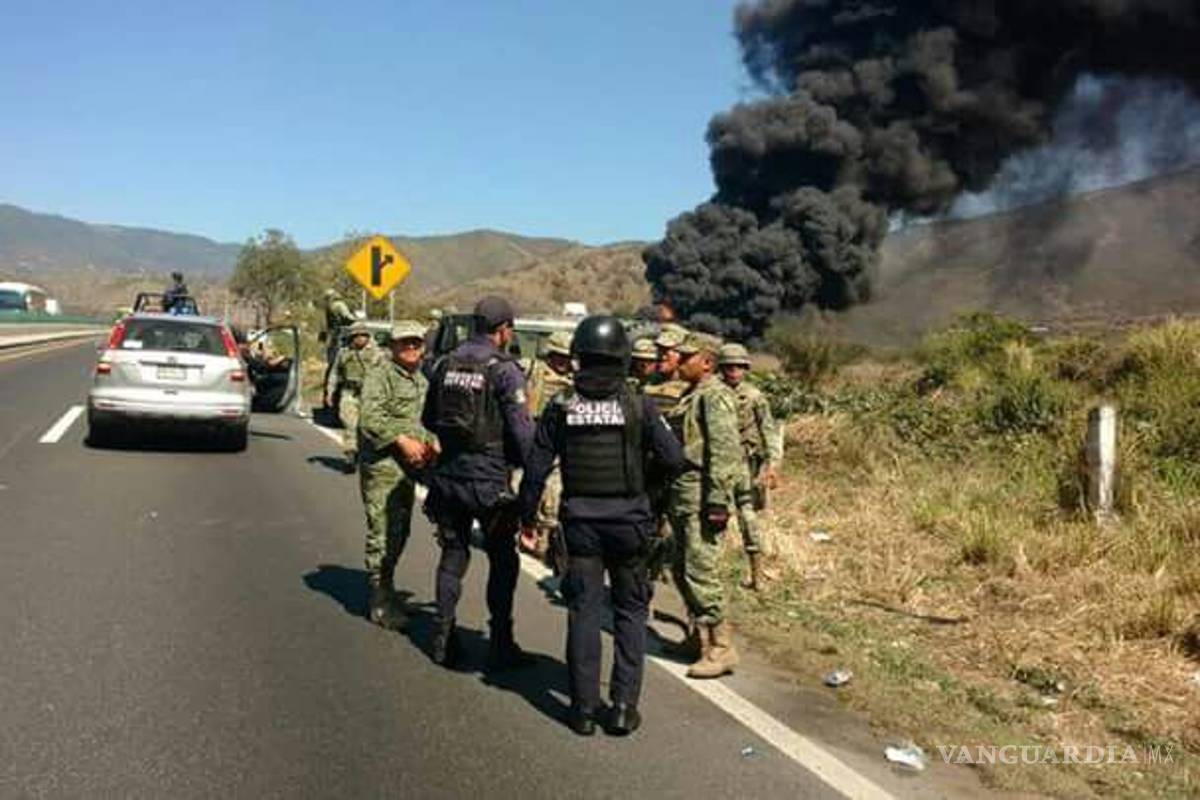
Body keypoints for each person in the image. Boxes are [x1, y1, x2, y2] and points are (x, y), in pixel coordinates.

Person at [518, 316, 684, 736]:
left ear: (580, 355)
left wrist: (526, 517)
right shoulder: (640, 405)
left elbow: (535, 467)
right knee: (630, 612)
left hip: (581, 526)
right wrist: (648, 491)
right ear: (623, 357)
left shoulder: (561, 405)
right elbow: (673, 458)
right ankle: (624, 707)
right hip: (630, 523)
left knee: (584, 612)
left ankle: (583, 710)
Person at [422, 295, 536, 669]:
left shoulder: (445, 363)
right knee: (503, 559)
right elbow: (522, 433)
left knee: (453, 555)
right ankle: (501, 643)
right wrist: (530, 472)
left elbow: (428, 419)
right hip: (490, 481)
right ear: (503, 330)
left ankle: (442, 637)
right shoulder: (504, 370)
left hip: (448, 477)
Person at [662, 331, 744, 679]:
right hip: (683, 494)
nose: (678, 362)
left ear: (707, 362)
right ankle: (699, 638)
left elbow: (724, 452)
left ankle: (721, 649)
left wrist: (718, 502)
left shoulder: (715, 397)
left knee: (701, 571)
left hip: (701, 496)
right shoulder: (692, 394)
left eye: (686, 357)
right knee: (681, 568)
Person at [357, 321, 438, 629]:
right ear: (392, 346)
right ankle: (379, 601)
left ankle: (389, 590)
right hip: (384, 467)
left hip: (409, 468)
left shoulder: (421, 380)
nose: (411, 347)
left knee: (400, 531)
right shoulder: (381, 375)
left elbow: (423, 421)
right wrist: (402, 440)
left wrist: (431, 443)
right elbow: (370, 419)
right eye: (405, 342)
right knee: (383, 532)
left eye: (416, 342)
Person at [718, 343, 782, 592]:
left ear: (745, 368)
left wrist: (773, 465)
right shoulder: (711, 394)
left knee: (748, 517)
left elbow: (769, 431)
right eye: (729, 367)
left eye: (738, 366)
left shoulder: (755, 397)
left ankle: (756, 576)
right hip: (717, 465)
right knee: (714, 515)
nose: (734, 371)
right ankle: (711, 573)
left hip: (745, 465)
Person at [523, 330, 575, 566]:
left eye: (567, 357)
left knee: (552, 498)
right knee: (525, 492)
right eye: (558, 356)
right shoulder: (531, 370)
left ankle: (546, 543)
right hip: (529, 440)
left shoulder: (574, 381)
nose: (563, 362)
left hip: (556, 445)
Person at [325, 320, 383, 471]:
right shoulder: (344, 352)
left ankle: (367, 456)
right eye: (356, 336)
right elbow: (335, 372)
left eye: (363, 335)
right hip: (349, 392)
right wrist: (330, 391)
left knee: (367, 427)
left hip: (370, 394)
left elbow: (386, 374)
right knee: (349, 424)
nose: (360, 338)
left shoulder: (377, 353)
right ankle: (350, 455)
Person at [322, 289, 357, 400]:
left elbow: (328, 326)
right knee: (341, 366)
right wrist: (357, 320)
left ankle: (328, 394)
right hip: (341, 338)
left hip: (333, 339)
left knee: (332, 367)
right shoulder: (339, 305)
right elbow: (349, 318)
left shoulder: (328, 307)